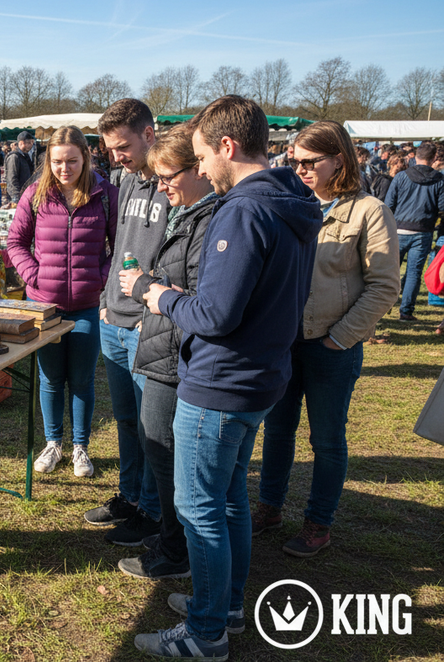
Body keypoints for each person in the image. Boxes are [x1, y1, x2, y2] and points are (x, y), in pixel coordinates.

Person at [132, 96, 321, 660]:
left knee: (199, 507)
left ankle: (206, 630)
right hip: (259, 377)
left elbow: (215, 314)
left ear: (227, 147)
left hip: (221, 383)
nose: (201, 168)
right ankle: (227, 606)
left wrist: (156, 293)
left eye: (200, 156)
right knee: (229, 497)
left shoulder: (241, 211)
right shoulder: (292, 202)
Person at [256, 121, 400, 559]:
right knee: (277, 431)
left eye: (308, 162)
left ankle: (319, 522)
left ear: (339, 158)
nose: (299, 169)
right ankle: (269, 508)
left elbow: (384, 286)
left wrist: (341, 338)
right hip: (284, 341)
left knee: (327, 439)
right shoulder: (288, 203)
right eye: (293, 161)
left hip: (331, 345)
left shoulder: (369, 211)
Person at [116, 124, 217, 582]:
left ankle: (177, 552)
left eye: (167, 176)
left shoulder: (208, 219)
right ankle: (172, 539)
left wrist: (151, 289)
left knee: (168, 455)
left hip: (176, 353)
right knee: (160, 450)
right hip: (165, 348)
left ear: (197, 169)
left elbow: (201, 298)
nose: (160, 187)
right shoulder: (190, 214)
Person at [8, 126, 118, 480]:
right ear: (48, 160)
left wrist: (99, 279)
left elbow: (119, 249)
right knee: (51, 378)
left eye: (72, 160)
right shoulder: (35, 195)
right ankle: (53, 443)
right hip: (45, 306)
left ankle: (80, 446)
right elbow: (15, 243)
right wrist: (35, 276)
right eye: (57, 161)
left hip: (87, 305)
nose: (64, 168)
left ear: (85, 156)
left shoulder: (105, 195)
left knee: (83, 379)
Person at [84, 99, 166, 549]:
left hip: (146, 323)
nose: (115, 155)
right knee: (125, 420)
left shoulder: (177, 183)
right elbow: (119, 248)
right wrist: (103, 300)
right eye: (110, 147)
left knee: (150, 423)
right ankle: (131, 496)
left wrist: (149, 312)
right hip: (112, 318)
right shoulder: (128, 181)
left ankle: (152, 511)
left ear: (149, 134)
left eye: (122, 146)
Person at [384, 141, 444, 321]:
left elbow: (388, 205)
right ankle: (406, 311)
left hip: (398, 229)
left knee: (389, 271)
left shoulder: (401, 177)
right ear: (434, 158)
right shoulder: (440, 180)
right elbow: (442, 207)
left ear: (416, 156)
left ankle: (383, 307)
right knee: (413, 273)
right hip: (422, 231)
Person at [5, 131, 35, 205]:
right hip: (18, 199)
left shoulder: (25, 156)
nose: (32, 145)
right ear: (21, 143)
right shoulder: (14, 157)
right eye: (30, 143)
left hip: (26, 196)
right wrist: (16, 198)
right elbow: (12, 179)